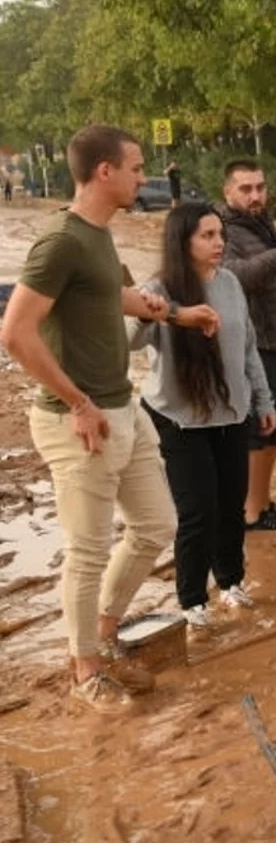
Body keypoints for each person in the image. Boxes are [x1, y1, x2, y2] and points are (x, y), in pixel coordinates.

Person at [0, 125, 213, 711]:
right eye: (137, 167)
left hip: (123, 406)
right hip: (82, 421)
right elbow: (15, 333)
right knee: (88, 550)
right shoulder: (61, 241)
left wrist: (177, 314)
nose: (143, 177)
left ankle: (105, 631)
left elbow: (112, 296)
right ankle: (85, 669)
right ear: (104, 172)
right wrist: (77, 403)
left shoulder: (97, 238)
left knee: (155, 525)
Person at [132, 203, 276, 628]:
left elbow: (247, 349)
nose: (219, 243)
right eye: (207, 236)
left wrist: (264, 402)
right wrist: (151, 310)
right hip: (179, 418)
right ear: (183, 241)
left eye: (220, 235)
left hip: (231, 411)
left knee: (231, 504)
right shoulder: (159, 288)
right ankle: (192, 601)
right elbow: (130, 342)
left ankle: (231, 582)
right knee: (198, 510)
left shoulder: (230, 283)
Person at [217, 160, 276, 531]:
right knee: (260, 426)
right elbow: (233, 275)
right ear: (228, 193)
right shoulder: (224, 231)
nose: (255, 195)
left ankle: (262, 501)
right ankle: (251, 511)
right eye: (246, 189)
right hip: (259, 343)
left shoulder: (260, 225)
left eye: (260, 187)